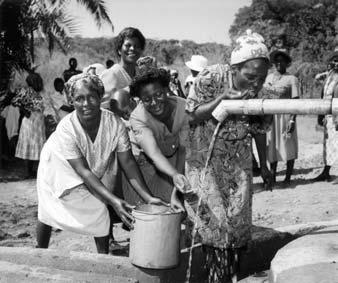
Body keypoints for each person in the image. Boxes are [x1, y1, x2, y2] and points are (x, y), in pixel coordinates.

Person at [36, 71, 167, 254]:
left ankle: (103, 258)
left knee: (100, 211)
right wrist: (114, 201)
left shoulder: (115, 124)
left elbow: (128, 163)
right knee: (48, 208)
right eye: (79, 99)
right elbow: (83, 171)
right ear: (72, 101)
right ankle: (39, 251)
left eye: (91, 97)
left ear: (100, 97)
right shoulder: (66, 128)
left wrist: (148, 198)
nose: (86, 104)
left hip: (86, 167)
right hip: (57, 162)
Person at [184, 30, 273, 282]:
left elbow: (259, 131)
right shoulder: (211, 77)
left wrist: (264, 165)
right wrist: (222, 99)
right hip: (206, 162)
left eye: (262, 78)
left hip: (238, 163)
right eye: (250, 76)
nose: (256, 83)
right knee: (213, 224)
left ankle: (230, 275)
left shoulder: (258, 92)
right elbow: (191, 116)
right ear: (235, 68)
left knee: (237, 223)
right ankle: (215, 276)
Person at [122, 68, 191, 211]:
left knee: (176, 208)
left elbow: (183, 151)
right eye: (146, 100)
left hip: (172, 159)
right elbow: (154, 154)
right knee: (148, 212)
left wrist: (177, 182)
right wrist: (174, 175)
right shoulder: (138, 117)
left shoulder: (184, 108)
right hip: (144, 165)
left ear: (167, 89)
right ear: (139, 100)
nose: (154, 102)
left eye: (158, 94)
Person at [263, 49, 300, 185]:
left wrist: (292, 119)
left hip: (285, 116)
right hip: (271, 117)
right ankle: (272, 176)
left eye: (282, 60)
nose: (279, 63)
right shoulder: (268, 78)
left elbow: (296, 101)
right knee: (272, 145)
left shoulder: (292, 79)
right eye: (276, 61)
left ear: (287, 63)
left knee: (287, 144)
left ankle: (288, 177)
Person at [100, 27, 146, 109]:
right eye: (128, 45)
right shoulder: (111, 74)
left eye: (137, 46)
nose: (132, 49)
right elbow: (104, 109)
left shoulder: (140, 75)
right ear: (119, 50)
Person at [12, 72, 45, 178]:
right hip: (30, 121)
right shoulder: (26, 91)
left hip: (38, 120)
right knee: (29, 144)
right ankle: (28, 172)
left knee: (34, 146)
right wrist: (24, 110)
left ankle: (31, 171)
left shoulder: (37, 92)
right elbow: (14, 101)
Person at [313, 48, 338, 182]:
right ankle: (326, 172)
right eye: (334, 61)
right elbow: (323, 92)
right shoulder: (330, 75)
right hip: (327, 115)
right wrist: (321, 115)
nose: (336, 63)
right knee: (328, 144)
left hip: (336, 115)